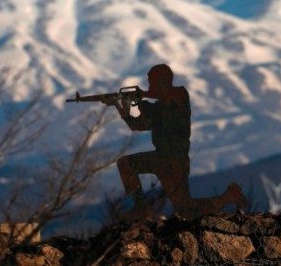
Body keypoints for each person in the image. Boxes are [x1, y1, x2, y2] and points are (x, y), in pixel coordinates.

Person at [103, 64, 246, 220]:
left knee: (185, 209)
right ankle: (139, 209)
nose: (150, 87)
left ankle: (228, 197)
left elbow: (165, 99)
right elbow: (137, 125)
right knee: (127, 165)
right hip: (164, 159)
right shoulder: (158, 106)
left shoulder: (179, 95)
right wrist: (121, 105)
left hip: (173, 160)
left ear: (163, 82)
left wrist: (142, 96)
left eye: (152, 83)